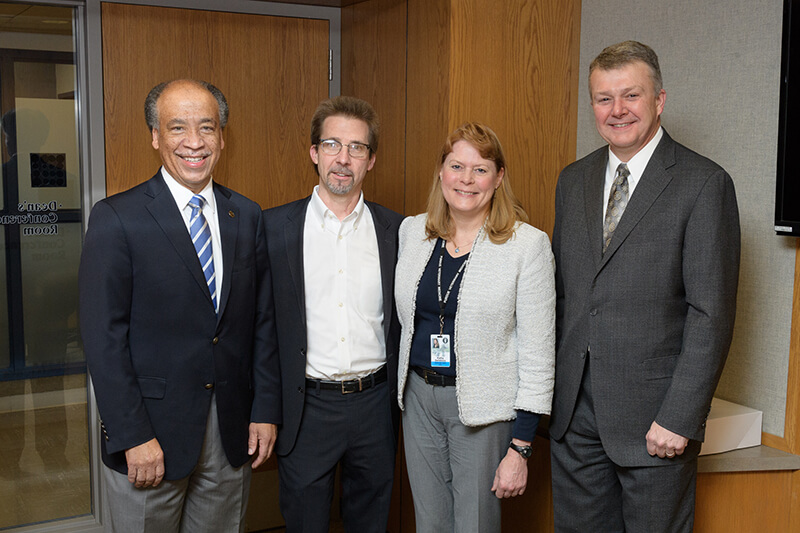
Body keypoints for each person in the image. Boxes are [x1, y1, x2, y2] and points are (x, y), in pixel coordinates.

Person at [549, 41, 741, 532]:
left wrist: (681, 416)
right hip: (574, 419)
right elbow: (566, 297)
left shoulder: (703, 183)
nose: (617, 111)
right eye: (603, 98)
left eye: (630, 95)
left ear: (659, 100)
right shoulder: (573, 181)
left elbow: (710, 315)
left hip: (656, 420)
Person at [79, 79, 281, 532]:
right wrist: (132, 435)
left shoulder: (245, 215)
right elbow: (102, 340)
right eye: (177, 128)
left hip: (230, 432)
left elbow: (262, 323)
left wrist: (265, 409)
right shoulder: (117, 218)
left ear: (222, 138)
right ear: (155, 137)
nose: (194, 142)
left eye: (207, 128)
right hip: (149, 436)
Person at [395, 122, 555, 532]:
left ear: (499, 177)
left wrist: (521, 447)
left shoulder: (527, 246)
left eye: (480, 169)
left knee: (475, 525)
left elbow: (538, 354)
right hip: (418, 400)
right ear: (441, 172)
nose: (466, 179)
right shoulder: (413, 232)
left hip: (483, 410)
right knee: (430, 523)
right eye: (456, 166)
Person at [262, 95, 403, 532]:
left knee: (371, 522)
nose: (344, 158)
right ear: (314, 153)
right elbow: (259, 332)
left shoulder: (399, 232)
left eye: (357, 147)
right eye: (332, 145)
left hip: (376, 408)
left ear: (371, 160)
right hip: (307, 408)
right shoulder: (272, 229)